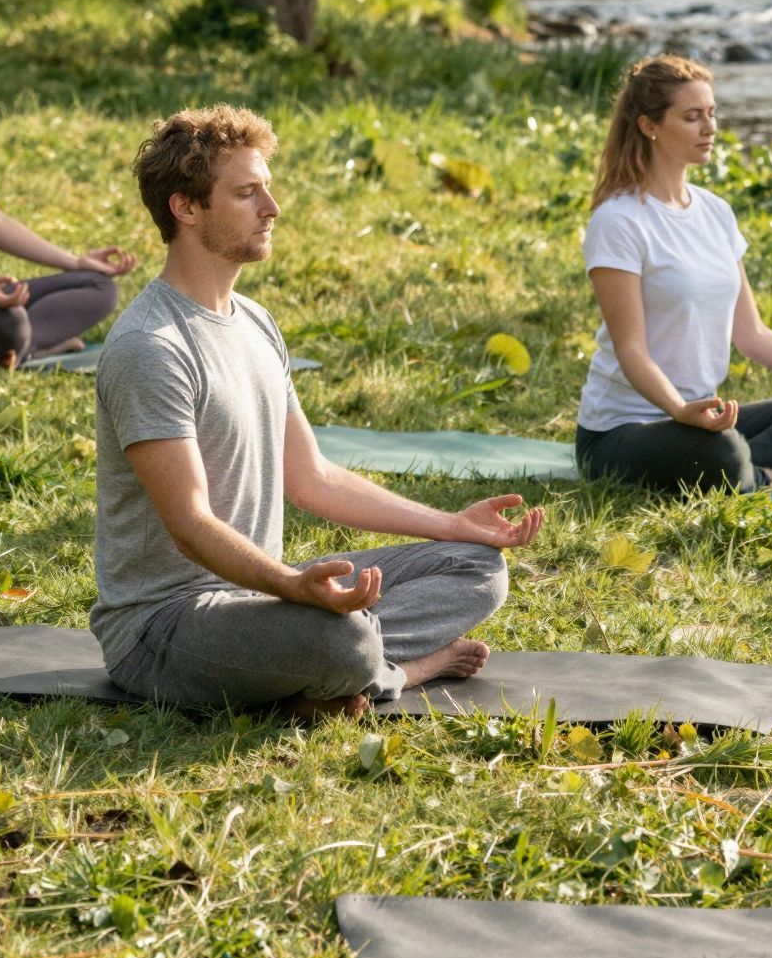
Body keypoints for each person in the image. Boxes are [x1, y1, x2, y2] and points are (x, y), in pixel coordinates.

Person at [93, 103, 543, 720]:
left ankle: (334, 679)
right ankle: (399, 670)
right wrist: (289, 587)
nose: (271, 209)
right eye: (248, 193)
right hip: (166, 626)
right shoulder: (151, 347)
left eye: (267, 190)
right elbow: (190, 525)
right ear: (186, 206)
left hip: (261, 597)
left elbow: (314, 479)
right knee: (342, 637)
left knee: (476, 567)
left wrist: (452, 524)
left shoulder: (254, 322)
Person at [575, 54, 772, 495]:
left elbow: (753, 335)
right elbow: (632, 351)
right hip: (623, 431)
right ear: (650, 125)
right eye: (691, 117)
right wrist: (678, 408)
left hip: (704, 419)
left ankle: (743, 466)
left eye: (711, 114)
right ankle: (770, 476)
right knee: (722, 452)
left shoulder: (716, 213)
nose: (709, 128)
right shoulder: (619, 221)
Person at [0, 0, 134, 365]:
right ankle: (28, 343)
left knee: (98, 286)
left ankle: (19, 346)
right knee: (10, 320)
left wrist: (75, 261)